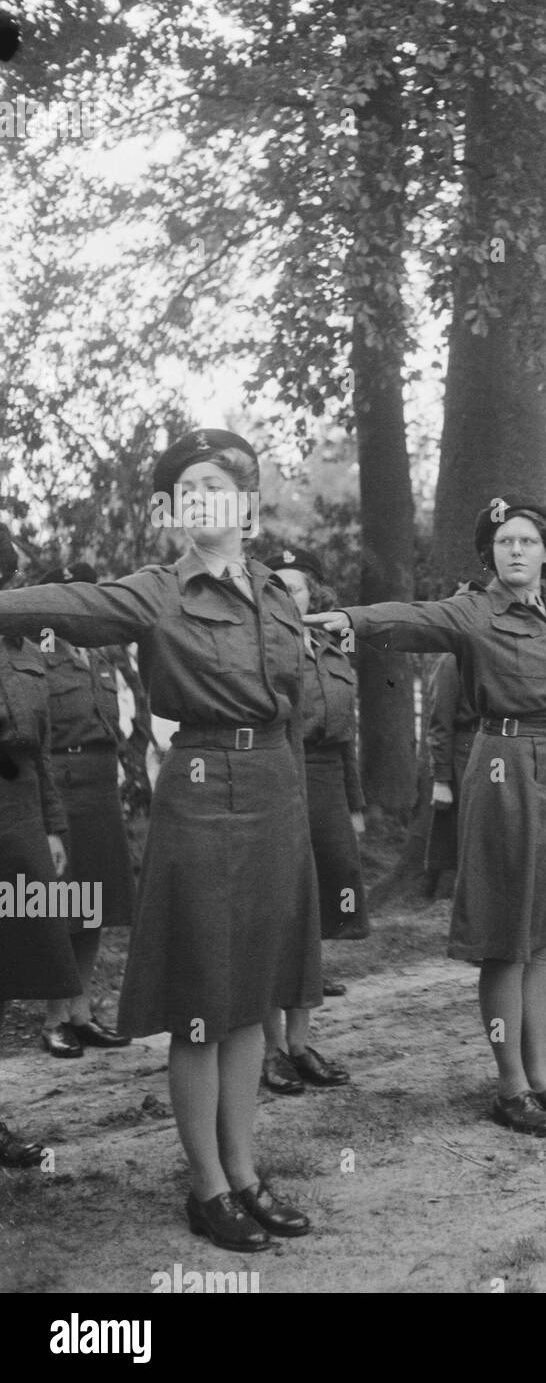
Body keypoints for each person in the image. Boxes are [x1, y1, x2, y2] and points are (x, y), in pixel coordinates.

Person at [0, 432, 318, 1250]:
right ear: (176, 512)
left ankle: (245, 1171)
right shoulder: (152, 592)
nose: (206, 500)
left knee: (253, 994)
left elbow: (300, 692)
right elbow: (54, 605)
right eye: (190, 489)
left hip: (278, 784)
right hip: (205, 788)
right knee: (202, 1000)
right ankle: (206, 1186)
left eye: (221, 486)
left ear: (246, 506)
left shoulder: (280, 595)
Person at [309, 497, 546, 1138]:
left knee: (544, 937)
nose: (517, 551)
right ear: (491, 555)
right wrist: (351, 620)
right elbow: (414, 618)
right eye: (505, 543)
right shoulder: (474, 610)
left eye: (528, 541)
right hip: (504, 769)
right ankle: (510, 1086)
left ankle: (544, 1077)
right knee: (506, 936)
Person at [259, 547, 366, 1095]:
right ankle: (270, 1048)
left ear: (314, 597)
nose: (288, 596)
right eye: (276, 588)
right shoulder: (262, 648)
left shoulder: (332, 650)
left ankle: (301, 1043)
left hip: (325, 783)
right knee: (279, 911)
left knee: (317, 911)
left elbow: (346, 736)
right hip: (279, 777)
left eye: (296, 588)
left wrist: (353, 803)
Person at [0, 525, 80, 1166]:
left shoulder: (24, 645)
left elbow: (46, 750)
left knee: (13, 963)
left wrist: (53, 827)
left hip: (20, 818)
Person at [34, 564, 136, 1059]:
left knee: (93, 905)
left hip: (100, 787)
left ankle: (82, 1012)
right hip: (61, 787)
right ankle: (54, 1019)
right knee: (62, 909)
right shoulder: (38, 654)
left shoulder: (100, 655)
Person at [423, 585, 480, 899]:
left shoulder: (490, 655)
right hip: (465, 754)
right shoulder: (451, 662)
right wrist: (442, 780)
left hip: (494, 750)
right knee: (467, 843)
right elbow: (440, 725)